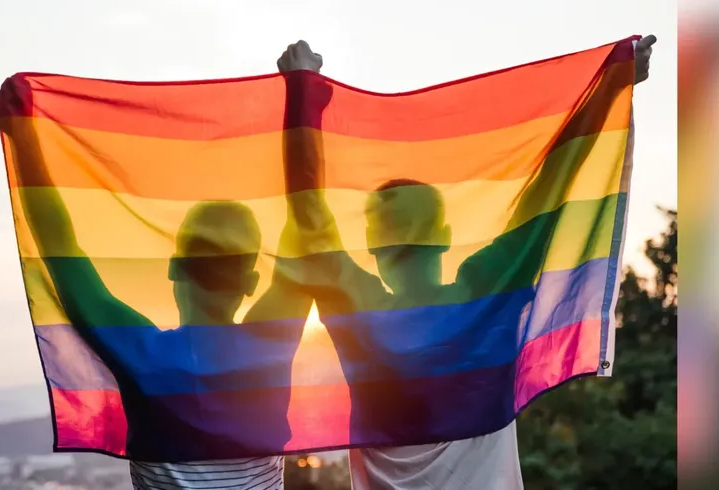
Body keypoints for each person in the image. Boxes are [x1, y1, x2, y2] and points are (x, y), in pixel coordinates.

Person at [276, 35, 656, 489]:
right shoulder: (484, 292)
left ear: (373, 245)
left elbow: (308, 213)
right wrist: (610, 86)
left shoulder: (365, 309)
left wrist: (302, 94)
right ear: (444, 237)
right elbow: (550, 188)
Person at [0, 81, 315, 490]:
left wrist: (22, 133)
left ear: (175, 268)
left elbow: (60, 246)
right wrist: (303, 98)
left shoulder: (141, 352)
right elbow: (309, 224)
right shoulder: (271, 342)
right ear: (250, 281)